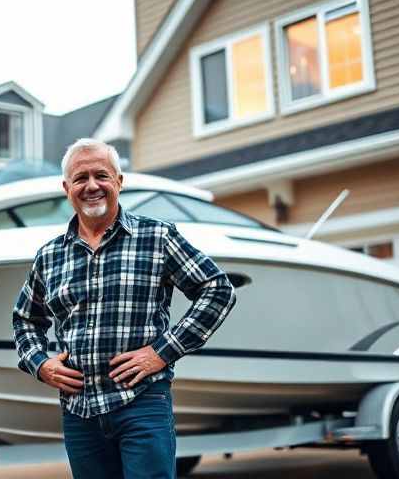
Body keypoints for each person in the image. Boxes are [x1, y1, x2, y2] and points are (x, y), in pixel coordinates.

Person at [12, 138, 237, 479]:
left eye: (101, 175)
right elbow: (25, 320)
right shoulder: (49, 256)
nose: (91, 186)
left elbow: (217, 289)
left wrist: (162, 352)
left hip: (143, 404)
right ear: (66, 188)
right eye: (80, 178)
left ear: (119, 181)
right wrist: (40, 364)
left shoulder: (157, 237)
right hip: (79, 413)